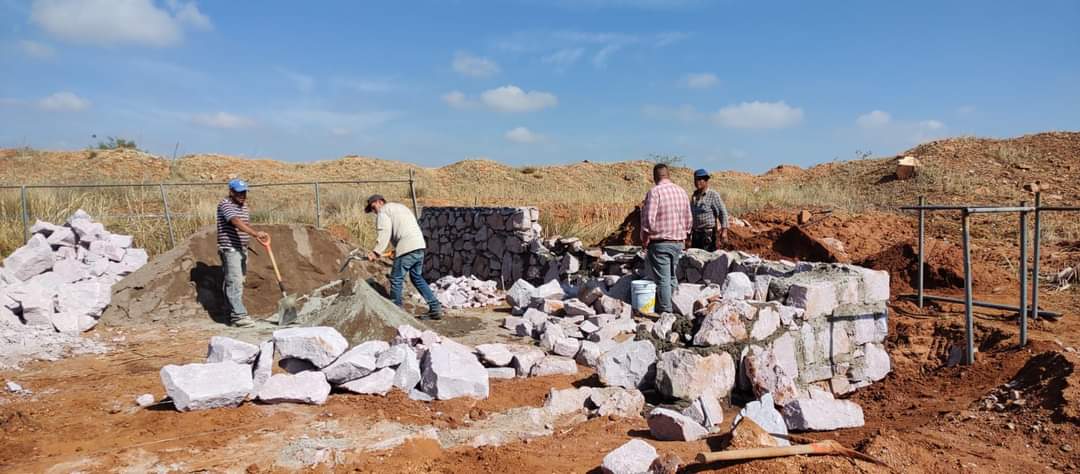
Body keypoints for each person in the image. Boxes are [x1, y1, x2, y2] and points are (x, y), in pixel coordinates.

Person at [365, 194, 443, 320]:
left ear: (380, 202)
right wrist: (398, 249)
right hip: (419, 245)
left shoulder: (384, 211)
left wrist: (376, 252)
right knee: (416, 276)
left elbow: (384, 232)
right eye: (372, 210)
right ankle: (435, 308)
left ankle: (397, 313)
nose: (374, 212)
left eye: (373, 208)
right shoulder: (400, 207)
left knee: (396, 278)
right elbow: (405, 229)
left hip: (407, 246)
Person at [640, 163, 692, 315]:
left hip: (660, 243)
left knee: (663, 279)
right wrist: (685, 234)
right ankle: (676, 307)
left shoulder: (655, 192)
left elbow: (649, 219)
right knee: (672, 276)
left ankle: (666, 312)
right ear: (668, 175)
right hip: (678, 242)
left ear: (655, 177)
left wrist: (645, 238)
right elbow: (689, 218)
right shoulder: (681, 191)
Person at [217, 178, 269, 327]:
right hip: (230, 249)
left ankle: (229, 313)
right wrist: (254, 233)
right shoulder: (225, 204)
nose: (242, 195)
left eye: (244, 192)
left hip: (242, 249)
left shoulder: (244, 206)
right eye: (239, 193)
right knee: (235, 281)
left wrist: (253, 236)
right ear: (231, 192)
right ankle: (239, 316)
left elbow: (244, 224)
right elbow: (235, 222)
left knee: (234, 281)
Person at [689, 169, 730, 251]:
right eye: (696, 179)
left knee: (707, 259)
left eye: (700, 179)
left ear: (706, 181)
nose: (697, 182)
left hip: (708, 234)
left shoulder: (713, 195)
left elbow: (723, 213)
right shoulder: (694, 196)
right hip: (696, 234)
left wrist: (724, 231)